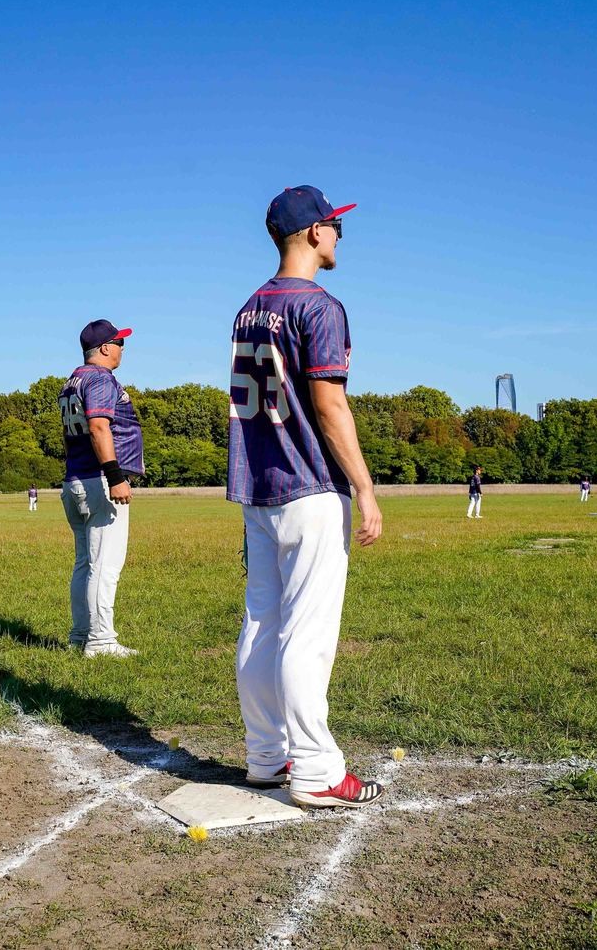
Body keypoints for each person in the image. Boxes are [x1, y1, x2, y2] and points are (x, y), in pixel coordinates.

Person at [228, 184, 385, 811]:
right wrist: (366, 486)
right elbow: (329, 402)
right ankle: (317, 769)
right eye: (335, 226)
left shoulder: (247, 306)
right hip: (309, 485)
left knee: (263, 623)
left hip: (259, 487)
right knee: (308, 631)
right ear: (314, 233)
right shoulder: (319, 307)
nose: (340, 235)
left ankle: (267, 754)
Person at [57, 319, 143, 657]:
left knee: (85, 563)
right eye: (120, 343)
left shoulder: (72, 380)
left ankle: (80, 635)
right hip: (99, 480)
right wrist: (115, 475)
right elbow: (98, 427)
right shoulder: (100, 378)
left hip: (76, 479)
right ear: (105, 348)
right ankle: (101, 641)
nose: (123, 348)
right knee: (104, 565)